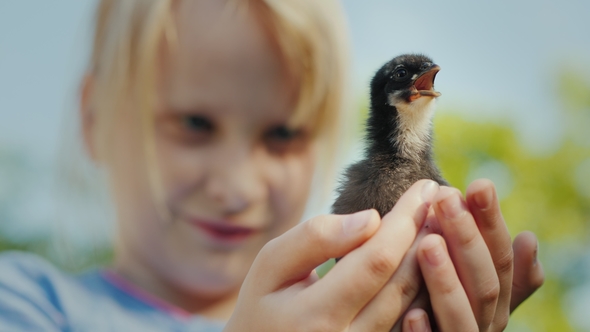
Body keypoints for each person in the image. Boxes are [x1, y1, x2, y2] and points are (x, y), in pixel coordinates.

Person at [0, 0, 544, 331]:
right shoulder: (27, 305)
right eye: (194, 124)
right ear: (96, 120)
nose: (236, 186)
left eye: (283, 134)